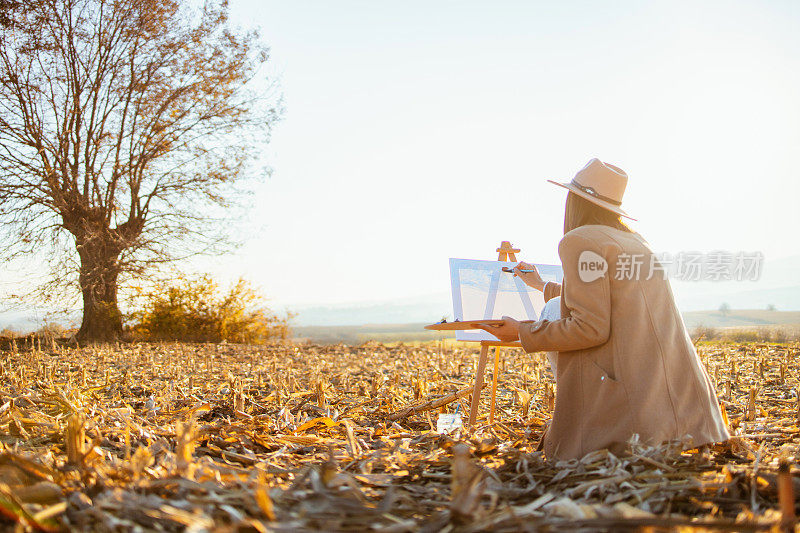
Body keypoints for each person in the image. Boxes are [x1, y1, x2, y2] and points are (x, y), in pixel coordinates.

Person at [477, 159, 730, 461]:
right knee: (555, 302)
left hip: (632, 404)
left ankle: (585, 418)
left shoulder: (579, 240)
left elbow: (591, 326)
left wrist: (522, 331)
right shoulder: (635, 241)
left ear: (575, 201)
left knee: (553, 310)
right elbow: (615, 301)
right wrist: (541, 284)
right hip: (677, 408)